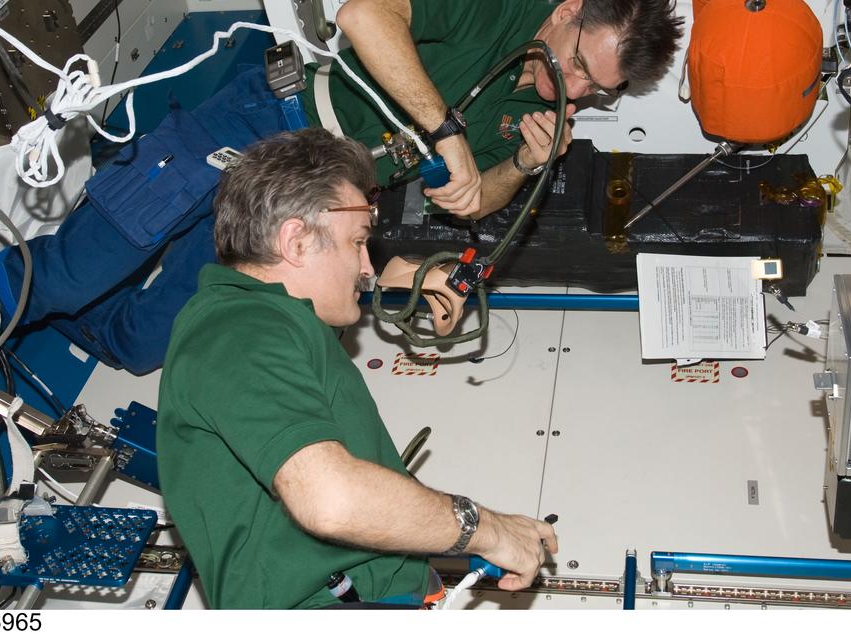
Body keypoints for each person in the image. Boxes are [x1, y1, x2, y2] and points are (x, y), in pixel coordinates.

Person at [0, 0, 684, 372]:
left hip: (308, 194)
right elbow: (364, 16)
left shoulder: (539, 114)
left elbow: (471, 200)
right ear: (568, 11)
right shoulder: (493, 2)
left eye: (596, 89)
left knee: (143, 346)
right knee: (71, 274)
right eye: (576, 63)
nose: (572, 88)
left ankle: (17, 301)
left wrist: (522, 161)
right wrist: (446, 129)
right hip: (264, 122)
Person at [156, 128, 559, 608]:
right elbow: (330, 499)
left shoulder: (275, 328)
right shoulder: (238, 326)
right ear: (296, 242)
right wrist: (484, 528)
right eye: (358, 243)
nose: (367, 267)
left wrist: (415, 274)